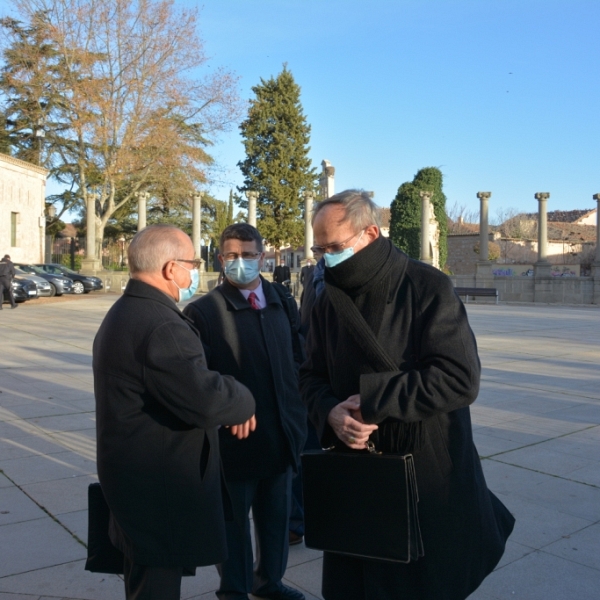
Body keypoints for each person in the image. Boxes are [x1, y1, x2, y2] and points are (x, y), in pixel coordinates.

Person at [300, 190, 515, 600]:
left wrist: (372, 400)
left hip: (424, 473)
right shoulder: (327, 297)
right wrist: (330, 413)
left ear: (371, 233)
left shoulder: (426, 285)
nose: (326, 257)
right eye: (319, 248)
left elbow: (460, 378)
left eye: (335, 247)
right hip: (355, 477)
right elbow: (309, 375)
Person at [93, 225, 256, 600]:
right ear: (171, 269)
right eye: (193, 262)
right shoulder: (161, 323)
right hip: (157, 489)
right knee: (155, 587)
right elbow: (207, 398)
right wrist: (243, 398)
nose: (196, 271)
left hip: (136, 481)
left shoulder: (128, 311)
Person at [183, 223, 307, 600]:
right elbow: (197, 380)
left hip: (281, 435)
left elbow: (300, 360)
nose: (241, 263)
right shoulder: (203, 312)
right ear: (221, 260)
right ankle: (233, 590)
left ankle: (269, 583)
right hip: (233, 441)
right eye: (232, 256)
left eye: (249, 255)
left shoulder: (282, 301)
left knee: (275, 521)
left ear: (263, 257)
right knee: (232, 525)